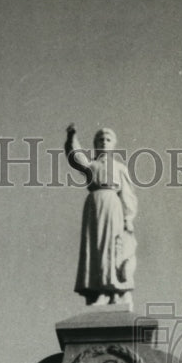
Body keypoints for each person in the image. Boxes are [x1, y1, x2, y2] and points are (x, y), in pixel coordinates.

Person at [65, 125, 137, 309]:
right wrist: (72, 137)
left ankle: (113, 291)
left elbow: (127, 195)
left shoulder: (119, 168)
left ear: (113, 145)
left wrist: (128, 219)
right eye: (100, 140)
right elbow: (75, 157)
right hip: (94, 207)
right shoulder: (92, 166)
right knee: (95, 250)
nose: (104, 143)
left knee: (112, 248)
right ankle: (99, 291)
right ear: (95, 144)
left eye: (108, 140)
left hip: (113, 206)